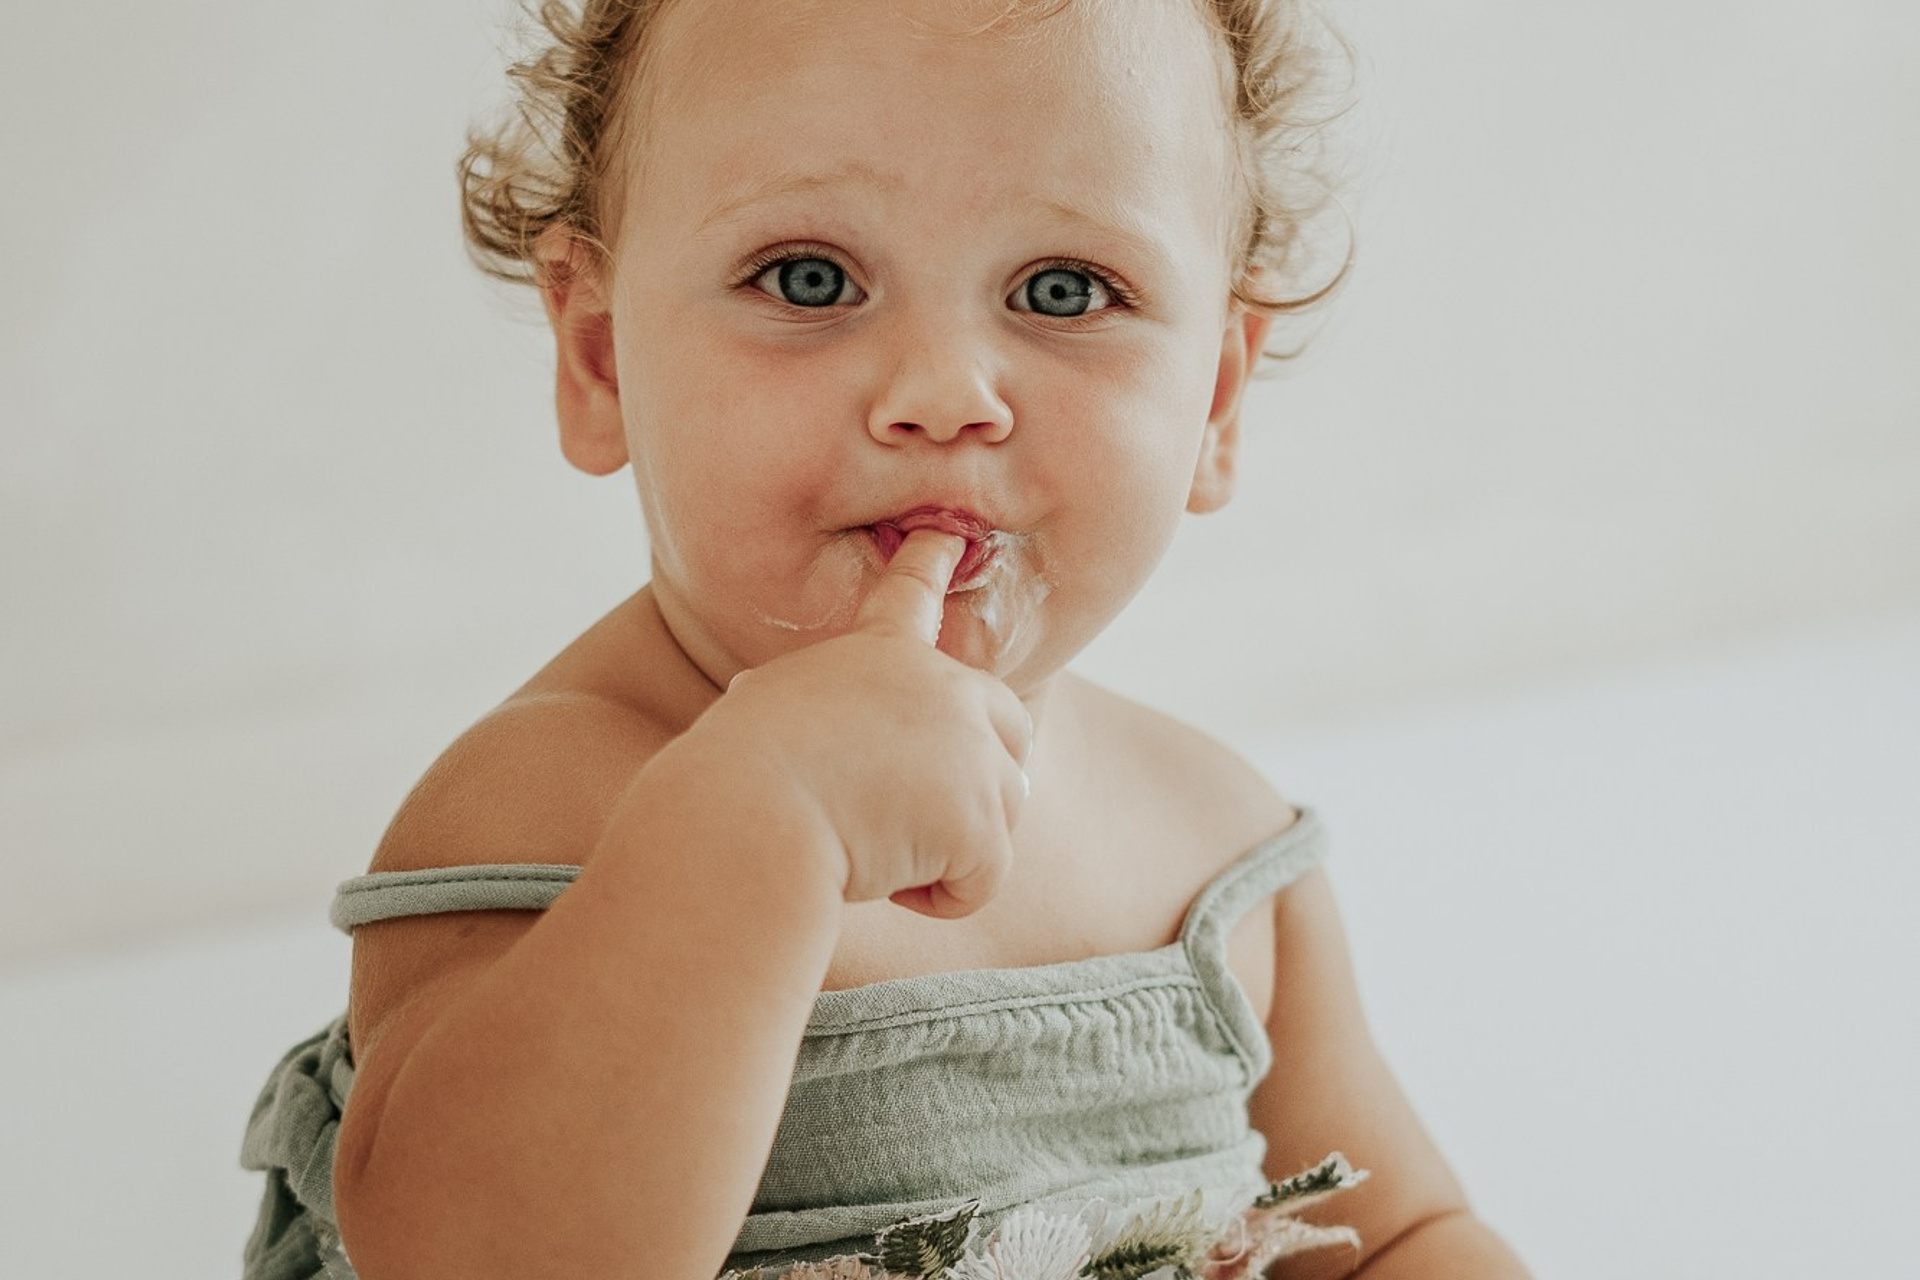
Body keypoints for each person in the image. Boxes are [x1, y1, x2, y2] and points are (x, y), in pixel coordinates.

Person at [240, 0, 1533, 1276]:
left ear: (1214, 402)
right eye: (810, 279)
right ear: (600, 359)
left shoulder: (1216, 844)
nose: (942, 394)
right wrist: (759, 815)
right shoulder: (551, 803)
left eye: (1065, 289)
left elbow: (1394, 1241)